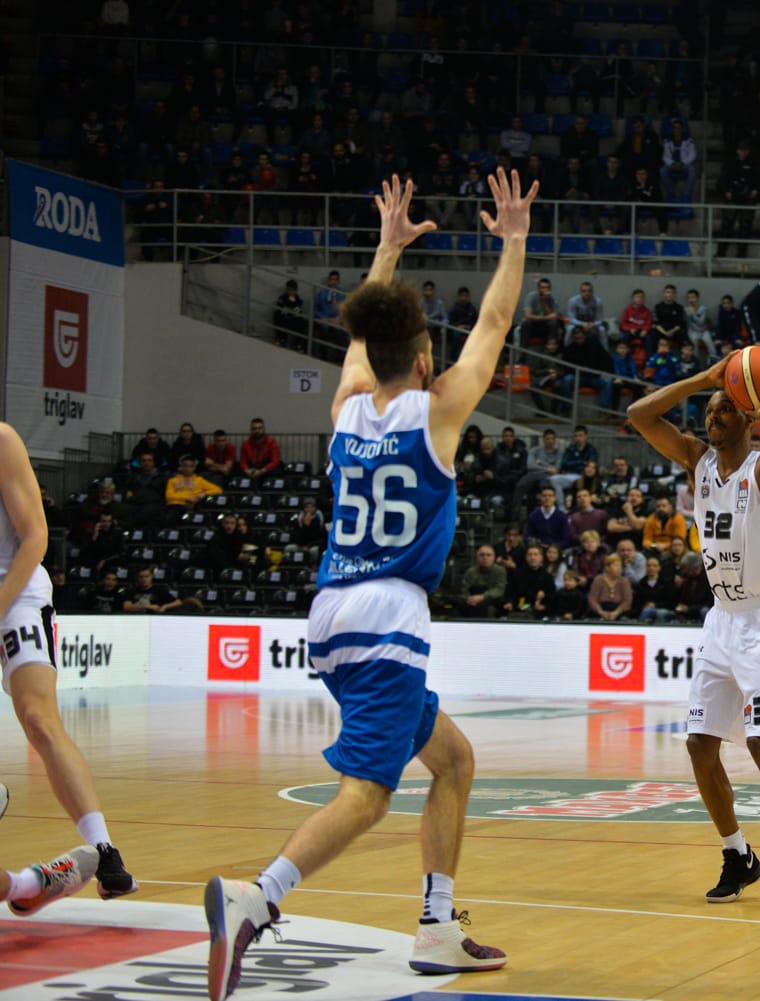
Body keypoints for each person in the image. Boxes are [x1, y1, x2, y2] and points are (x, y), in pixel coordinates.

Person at [202, 170, 537, 999]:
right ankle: (256, 898)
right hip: (388, 616)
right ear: (424, 359)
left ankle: (437, 925)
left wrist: (386, 248)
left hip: (331, 611)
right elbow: (495, 323)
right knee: (368, 795)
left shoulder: (348, 407)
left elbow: (357, 338)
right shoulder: (439, 410)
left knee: (452, 759)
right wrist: (515, 240)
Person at [627, 348, 760, 913]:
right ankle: (738, 854)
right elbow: (640, 415)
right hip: (722, 618)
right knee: (699, 743)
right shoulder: (697, 460)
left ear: (746, 418)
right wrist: (703, 378)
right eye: (709, 410)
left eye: (723, 409)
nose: (711, 416)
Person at [0, 422, 138, 906]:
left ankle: (104, 849)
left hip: (16, 592)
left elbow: (36, 537)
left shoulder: (2, 440)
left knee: (38, 718)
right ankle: (34, 883)